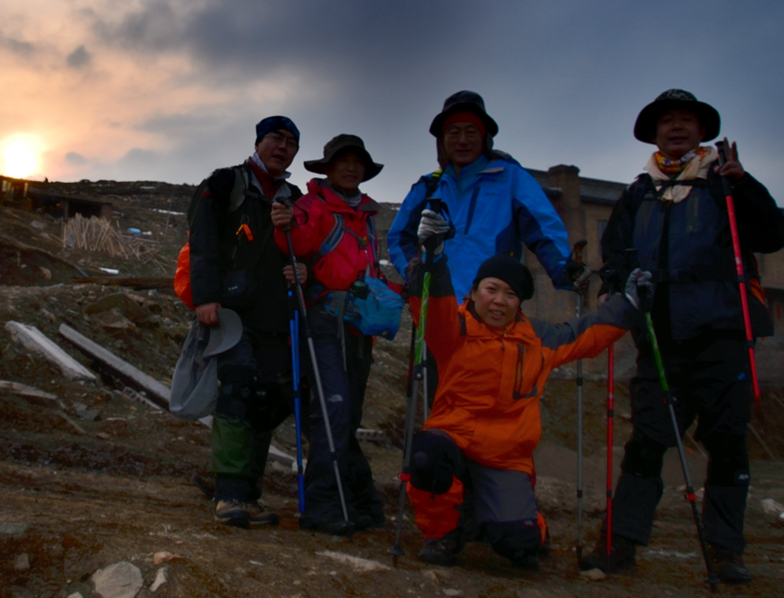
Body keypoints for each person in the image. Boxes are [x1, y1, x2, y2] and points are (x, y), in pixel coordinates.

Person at [582, 90, 784, 583]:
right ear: (654, 135)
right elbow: (616, 253)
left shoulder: (726, 182)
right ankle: (618, 545)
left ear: (702, 131)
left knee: (728, 442)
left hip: (722, 334)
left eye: (686, 120)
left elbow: (773, 236)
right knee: (647, 443)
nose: (676, 128)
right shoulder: (637, 193)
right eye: (667, 122)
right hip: (660, 337)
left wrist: (746, 185)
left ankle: (725, 552)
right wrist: (619, 282)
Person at [404, 209, 650, 570]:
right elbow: (432, 303)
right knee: (427, 453)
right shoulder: (453, 329)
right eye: (491, 290)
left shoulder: (539, 340)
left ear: (519, 303)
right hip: (453, 440)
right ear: (473, 292)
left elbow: (588, 333)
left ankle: (506, 519)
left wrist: (628, 306)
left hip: (505, 457)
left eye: (510, 294)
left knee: (520, 548)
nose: (499, 301)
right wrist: (433, 257)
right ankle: (442, 533)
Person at [274, 134, 402, 535]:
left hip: (357, 326)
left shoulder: (365, 214)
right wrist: (286, 225)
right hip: (324, 322)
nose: (350, 167)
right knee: (334, 410)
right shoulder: (310, 206)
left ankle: (360, 501)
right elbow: (295, 241)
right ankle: (324, 507)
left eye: (357, 162)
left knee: (345, 416)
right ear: (327, 168)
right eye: (342, 161)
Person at [187, 115, 305, 528]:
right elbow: (201, 239)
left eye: (291, 141)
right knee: (237, 392)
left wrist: (302, 270)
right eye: (276, 137)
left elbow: (301, 249)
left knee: (270, 400)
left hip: (278, 314)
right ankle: (230, 493)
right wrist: (205, 298)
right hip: (233, 313)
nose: (283, 146)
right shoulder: (224, 183)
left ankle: (245, 492)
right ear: (259, 141)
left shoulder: (296, 197)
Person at [388, 90, 584, 301]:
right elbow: (398, 237)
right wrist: (413, 270)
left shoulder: (511, 178)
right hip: (435, 307)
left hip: (492, 308)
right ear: (442, 140)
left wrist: (563, 268)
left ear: (485, 137)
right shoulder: (427, 186)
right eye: (453, 132)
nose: (462, 140)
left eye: (471, 131)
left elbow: (544, 229)